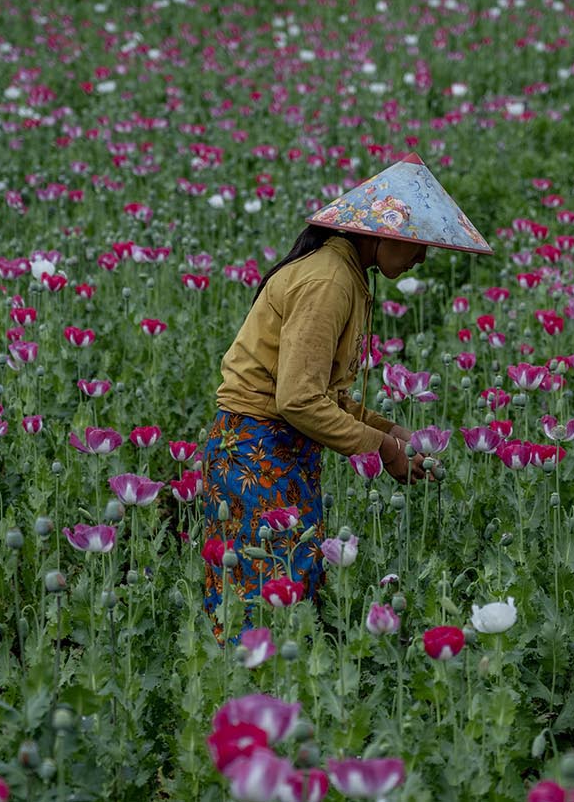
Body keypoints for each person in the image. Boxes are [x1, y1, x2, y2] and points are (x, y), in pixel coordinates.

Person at [200, 152, 492, 629]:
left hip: (274, 448)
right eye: (417, 243)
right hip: (256, 452)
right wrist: (382, 450)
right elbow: (297, 400)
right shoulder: (328, 281)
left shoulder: (343, 273)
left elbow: (318, 394)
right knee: (263, 599)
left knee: (286, 588)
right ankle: (252, 698)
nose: (421, 256)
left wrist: (389, 429)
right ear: (381, 234)